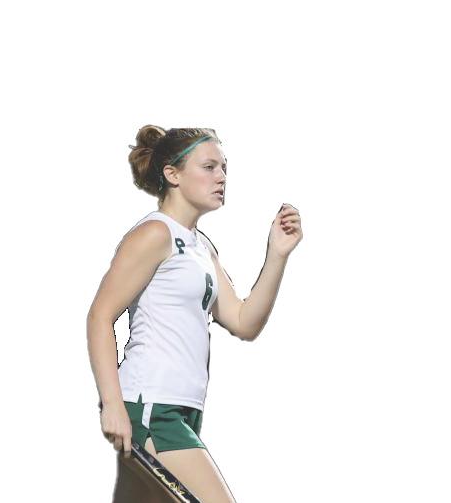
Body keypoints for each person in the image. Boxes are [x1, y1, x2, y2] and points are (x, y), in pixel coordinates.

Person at [86, 125, 303, 502]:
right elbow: (100, 317)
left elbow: (243, 321)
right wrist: (113, 405)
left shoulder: (201, 247)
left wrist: (277, 254)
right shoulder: (155, 234)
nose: (221, 177)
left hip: (183, 408)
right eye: (209, 167)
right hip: (151, 407)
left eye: (224, 168)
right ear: (173, 174)